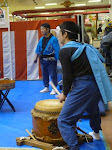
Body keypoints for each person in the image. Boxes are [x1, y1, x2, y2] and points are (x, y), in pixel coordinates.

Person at [57, 21, 112, 150]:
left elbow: (67, 75)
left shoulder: (65, 51)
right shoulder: (84, 46)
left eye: (60, 33)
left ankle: (73, 147)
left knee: (64, 121)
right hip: (96, 85)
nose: (59, 36)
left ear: (65, 34)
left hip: (83, 86)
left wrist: (64, 93)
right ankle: (96, 134)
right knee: (93, 109)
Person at [34, 23, 60, 95]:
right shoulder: (41, 39)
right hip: (42, 59)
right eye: (41, 29)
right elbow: (38, 49)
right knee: (44, 74)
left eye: (43, 29)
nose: (41, 30)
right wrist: (36, 58)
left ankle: (54, 88)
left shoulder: (53, 39)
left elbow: (57, 49)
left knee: (53, 74)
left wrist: (58, 59)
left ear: (48, 29)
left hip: (51, 59)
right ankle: (46, 87)